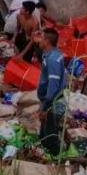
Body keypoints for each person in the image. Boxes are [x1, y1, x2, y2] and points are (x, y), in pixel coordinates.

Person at [36, 28, 66, 156]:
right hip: (50, 100)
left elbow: (53, 85)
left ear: (47, 41)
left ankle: (57, 160)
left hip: (52, 102)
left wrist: (45, 106)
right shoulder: (50, 54)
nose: (39, 40)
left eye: (41, 38)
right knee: (44, 134)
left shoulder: (52, 59)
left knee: (50, 137)